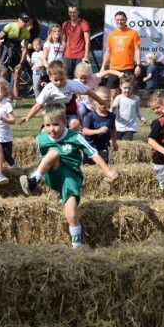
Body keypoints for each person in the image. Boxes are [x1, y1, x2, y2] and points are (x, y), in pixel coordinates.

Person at [20, 104, 119, 248]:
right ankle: (34, 180)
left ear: (65, 123)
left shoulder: (75, 137)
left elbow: (93, 153)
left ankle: (76, 247)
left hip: (71, 178)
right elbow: (43, 159)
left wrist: (108, 171)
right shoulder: (41, 139)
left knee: (72, 215)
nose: (51, 129)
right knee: (53, 153)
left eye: (55, 124)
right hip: (52, 175)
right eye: (47, 125)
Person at [20, 59, 106, 131]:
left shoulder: (73, 84)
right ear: (50, 78)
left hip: (69, 113)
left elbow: (89, 92)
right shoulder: (48, 88)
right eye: (56, 80)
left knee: (75, 124)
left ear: (66, 76)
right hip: (53, 113)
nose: (59, 82)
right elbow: (37, 106)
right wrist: (28, 117)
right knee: (44, 132)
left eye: (62, 79)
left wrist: (101, 101)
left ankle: (70, 144)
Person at [100, 11, 142, 101]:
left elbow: (137, 50)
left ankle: (126, 113)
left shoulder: (133, 33)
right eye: (117, 20)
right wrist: (103, 66)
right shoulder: (111, 35)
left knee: (127, 93)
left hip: (128, 67)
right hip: (114, 68)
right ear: (115, 21)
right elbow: (108, 52)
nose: (120, 22)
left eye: (122, 20)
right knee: (113, 94)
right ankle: (113, 113)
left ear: (126, 20)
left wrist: (138, 65)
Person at [0, 13, 30, 99]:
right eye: (23, 21)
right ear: (18, 19)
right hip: (6, 52)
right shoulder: (9, 26)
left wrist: (21, 62)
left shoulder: (26, 32)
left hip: (16, 53)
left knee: (17, 76)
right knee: (3, 74)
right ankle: (2, 96)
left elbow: (25, 48)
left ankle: (15, 98)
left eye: (26, 22)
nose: (24, 23)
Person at [81, 86, 117, 164]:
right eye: (100, 101)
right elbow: (84, 131)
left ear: (110, 101)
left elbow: (113, 129)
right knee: (89, 169)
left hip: (104, 147)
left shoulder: (111, 116)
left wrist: (114, 142)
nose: (103, 104)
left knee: (104, 167)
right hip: (90, 147)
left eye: (106, 101)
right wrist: (98, 131)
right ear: (94, 101)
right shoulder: (91, 116)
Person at [111, 73, 146, 141]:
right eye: (125, 88)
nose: (127, 90)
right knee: (116, 142)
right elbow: (111, 111)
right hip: (119, 125)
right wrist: (113, 107)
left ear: (132, 87)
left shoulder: (136, 98)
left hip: (130, 126)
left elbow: (137, 110)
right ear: (120, 87)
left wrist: (141, 118)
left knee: (127, 142)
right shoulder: (118, 98)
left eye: (129, 88)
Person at [61, 5, 90, 78]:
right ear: (68, 13)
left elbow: (87, 41)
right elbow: (64, 41)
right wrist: (61, 54)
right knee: (67, 77)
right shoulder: (65, 24)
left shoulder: (83, 23)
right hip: (67, 55)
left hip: (80, 55)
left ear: (78, 12)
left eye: (74, 12)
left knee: (79, 77)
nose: (72, 14)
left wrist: (86, 56)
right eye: (70, 12)